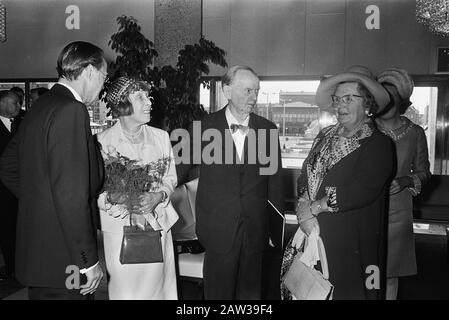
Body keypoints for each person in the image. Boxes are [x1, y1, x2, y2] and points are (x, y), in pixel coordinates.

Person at [0, 41, 106, 300]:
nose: (103, 86)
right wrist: (89, 261)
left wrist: (41, 203)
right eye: (104, 76)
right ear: (90, 71)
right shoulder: (72, 109)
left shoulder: (43, 104)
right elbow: (71, 195)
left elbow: (8, 166)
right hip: (66, 258)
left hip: (39, 255)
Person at [282, 66, 394, 300]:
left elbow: (361, 190)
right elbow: (306, 173)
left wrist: (316, 207)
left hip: (349, 240)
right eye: (336, 99)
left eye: (349, 99)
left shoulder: (378, 144)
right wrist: (303, 205)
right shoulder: (325, 135)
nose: (340, 105)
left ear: (367, 104)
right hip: (312, 233)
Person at [176, 65, 284, 300]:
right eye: (247, 91)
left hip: (255, 230)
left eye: (256, 91)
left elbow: (274, 184)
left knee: (251, 294)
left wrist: (275, 231)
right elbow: (177, 169)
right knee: (218, 293)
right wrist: (156, 192)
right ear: (226, 90)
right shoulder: (203, 128)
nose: (253, 97)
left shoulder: (267, 129)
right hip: (218, 230)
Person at [97, 76, 179, 300]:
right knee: (126, 293)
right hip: (119, 232)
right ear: (123, 104)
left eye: (148, 96)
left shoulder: (161, 138)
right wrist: (117, 198)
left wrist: (158, 195)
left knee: (159, 291)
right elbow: (92, 192)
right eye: (140, 97)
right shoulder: (100, 142)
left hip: (158, 227)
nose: (149, 102)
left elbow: (171, 178)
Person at [375, 68, 431, 300]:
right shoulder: (365, 130)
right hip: (366, 207)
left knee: (390, 272)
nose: (386, 104)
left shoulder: (415, 133)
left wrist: (407, 179)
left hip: (398, 211)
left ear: (402, 103)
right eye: (382, 99)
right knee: (363, 266)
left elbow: (424, 171)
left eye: (392, 99)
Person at [0, 90, 21, 281]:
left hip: (21, 186)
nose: (18, 106)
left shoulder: (23, 123)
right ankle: (11, 268)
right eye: (14, 103)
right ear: (2, 104)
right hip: (2, 189)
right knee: (5, 228)